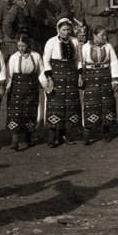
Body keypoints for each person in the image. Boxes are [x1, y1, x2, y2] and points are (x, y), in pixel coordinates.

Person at [41, 18, 83, 147]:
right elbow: (46, 60)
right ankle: (53, 136)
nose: (66, 32)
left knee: (69, 106)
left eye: (68, 30)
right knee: (55, 105)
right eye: (63, 30)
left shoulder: (75, 41)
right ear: (58, 30)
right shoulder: (51, 42)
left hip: (71, 76)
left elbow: (78, 59)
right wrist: (49, 77)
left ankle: (65, 134)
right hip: (56, 75)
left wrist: (80, 75)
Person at [80, 27, 118, 144]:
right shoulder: (85, 47)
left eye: (105, 35)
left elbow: (114, 62)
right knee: (90, 104)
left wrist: (115, 79)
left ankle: (106, 130)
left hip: (105, 77)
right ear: (94, 35)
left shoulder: (108, 47)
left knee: (106, 104)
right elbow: (81, 62)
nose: (104, 38)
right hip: (90, 78)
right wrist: (81, 77)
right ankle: (87, 132)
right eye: (102, 35)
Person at [5, 34, 44, 151]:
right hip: (17, 88)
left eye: (23, 45)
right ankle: (15, 139)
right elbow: (10, 74)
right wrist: (7, 87)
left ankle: (28, 137)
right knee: (15, 113)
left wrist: (45, 84)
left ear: (28, 45)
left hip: (31, 88)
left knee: (30, 113)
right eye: (19, 46)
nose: (21, 48)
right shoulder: (14, 57)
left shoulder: (36, 56)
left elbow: (41, 72)